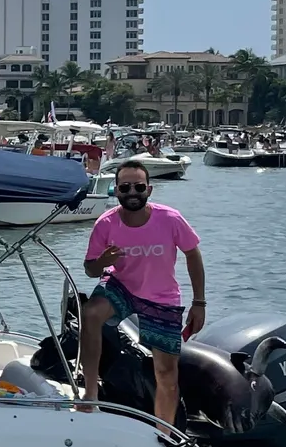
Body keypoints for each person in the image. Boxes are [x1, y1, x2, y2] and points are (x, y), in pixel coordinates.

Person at [78, 163, 206, 427]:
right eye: (125, 187)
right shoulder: (106, 223)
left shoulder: (170, 219)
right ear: (116, 191)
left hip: (161, 297)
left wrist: (199, 303)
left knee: (166, 373)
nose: (132, 192)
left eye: (138, 187)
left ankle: (164, 433)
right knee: (90, 313)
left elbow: (193, 254)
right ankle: (90, 394)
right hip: (121, 286)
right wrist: (102, 262)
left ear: (149, 189)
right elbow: (91, 270)